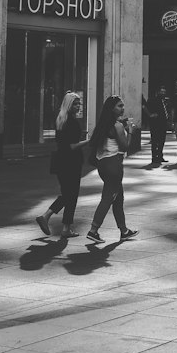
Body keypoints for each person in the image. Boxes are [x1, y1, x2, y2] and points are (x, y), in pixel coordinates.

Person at [85, 96, 137, 243]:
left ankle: (124, 230)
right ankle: (93, 230)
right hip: (114, 164)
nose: (123, 108)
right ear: (112, 108)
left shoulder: (104, 124)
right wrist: (131, 131)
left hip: (103, 164)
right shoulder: (117, 126)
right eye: (119, 106)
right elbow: (125, 147)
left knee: (118, 198)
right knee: (108, 198)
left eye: (123, 105)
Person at [36, 90, 86, 236]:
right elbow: (72, 146)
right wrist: (89, 141)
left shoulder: (60, 120)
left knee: (67, 194)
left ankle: (54, 221)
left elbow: (63, 143)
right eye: (75, 104)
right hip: (72, 162)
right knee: (71, 195)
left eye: (79, 103)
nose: (78, 106)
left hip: (60, 161)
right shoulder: (73, 123)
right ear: (69, 105)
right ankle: (59, 224)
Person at [146, 85, 171, 168]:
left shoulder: (165, 101)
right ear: (158, 92)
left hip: (163, 123)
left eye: (164, 92)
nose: (163, 93)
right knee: (155, 141)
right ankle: (154, 157)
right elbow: (145, 107)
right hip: (155, 124)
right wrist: (150, 115)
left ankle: (160, 156)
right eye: (161, 91)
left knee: (161, 140)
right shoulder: (153, 100)